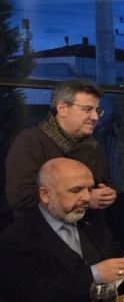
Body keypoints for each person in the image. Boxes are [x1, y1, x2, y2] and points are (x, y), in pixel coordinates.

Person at [0, 159, 124, 302]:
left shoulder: (91, 220)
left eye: (89, 189)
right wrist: (94, 276)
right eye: (76, 190)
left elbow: (113, 254)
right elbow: (30, 297)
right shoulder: (17, 238)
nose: (86, 197)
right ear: (45, 194)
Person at [6, 80, 117, 213]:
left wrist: (109, 193)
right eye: (87, 109)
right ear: (62, 108)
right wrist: (85, 199)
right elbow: (20, 197)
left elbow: (106, 181)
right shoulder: (30, 141)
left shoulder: (93, 144)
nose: (95, 117)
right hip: (44, 225)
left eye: (97, 110)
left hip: (91, 224)